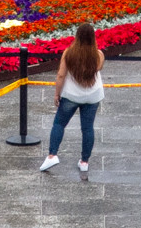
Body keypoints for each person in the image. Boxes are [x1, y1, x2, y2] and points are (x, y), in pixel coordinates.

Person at [38, 22, 104, 177]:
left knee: (59, 123)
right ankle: (84, 162)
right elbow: (96, 69)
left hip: (71, 95)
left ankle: (52, 155)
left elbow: (61, 75)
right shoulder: (99, 55)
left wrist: (56, 94)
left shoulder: (69, 53)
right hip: (92, 96)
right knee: (87, 128)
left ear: (77, 36)